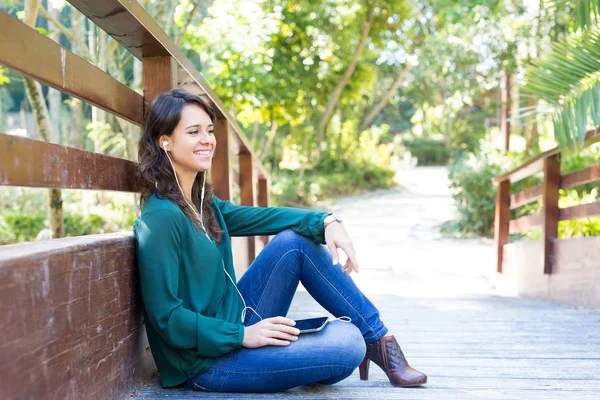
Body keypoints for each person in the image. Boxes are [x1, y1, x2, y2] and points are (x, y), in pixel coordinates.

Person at [134, 89, 427, 393]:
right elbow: (166, 317)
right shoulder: (161, 218)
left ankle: (378, 339)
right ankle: (313, 357)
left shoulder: (201, 204)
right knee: (347, 344)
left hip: (236, 320)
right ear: (165, 141)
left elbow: (268, 218)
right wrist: (242, 336)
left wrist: (327, 221)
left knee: (294, 243)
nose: (207, 139)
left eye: (209, 130)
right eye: (193, 132)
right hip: (204, 363)